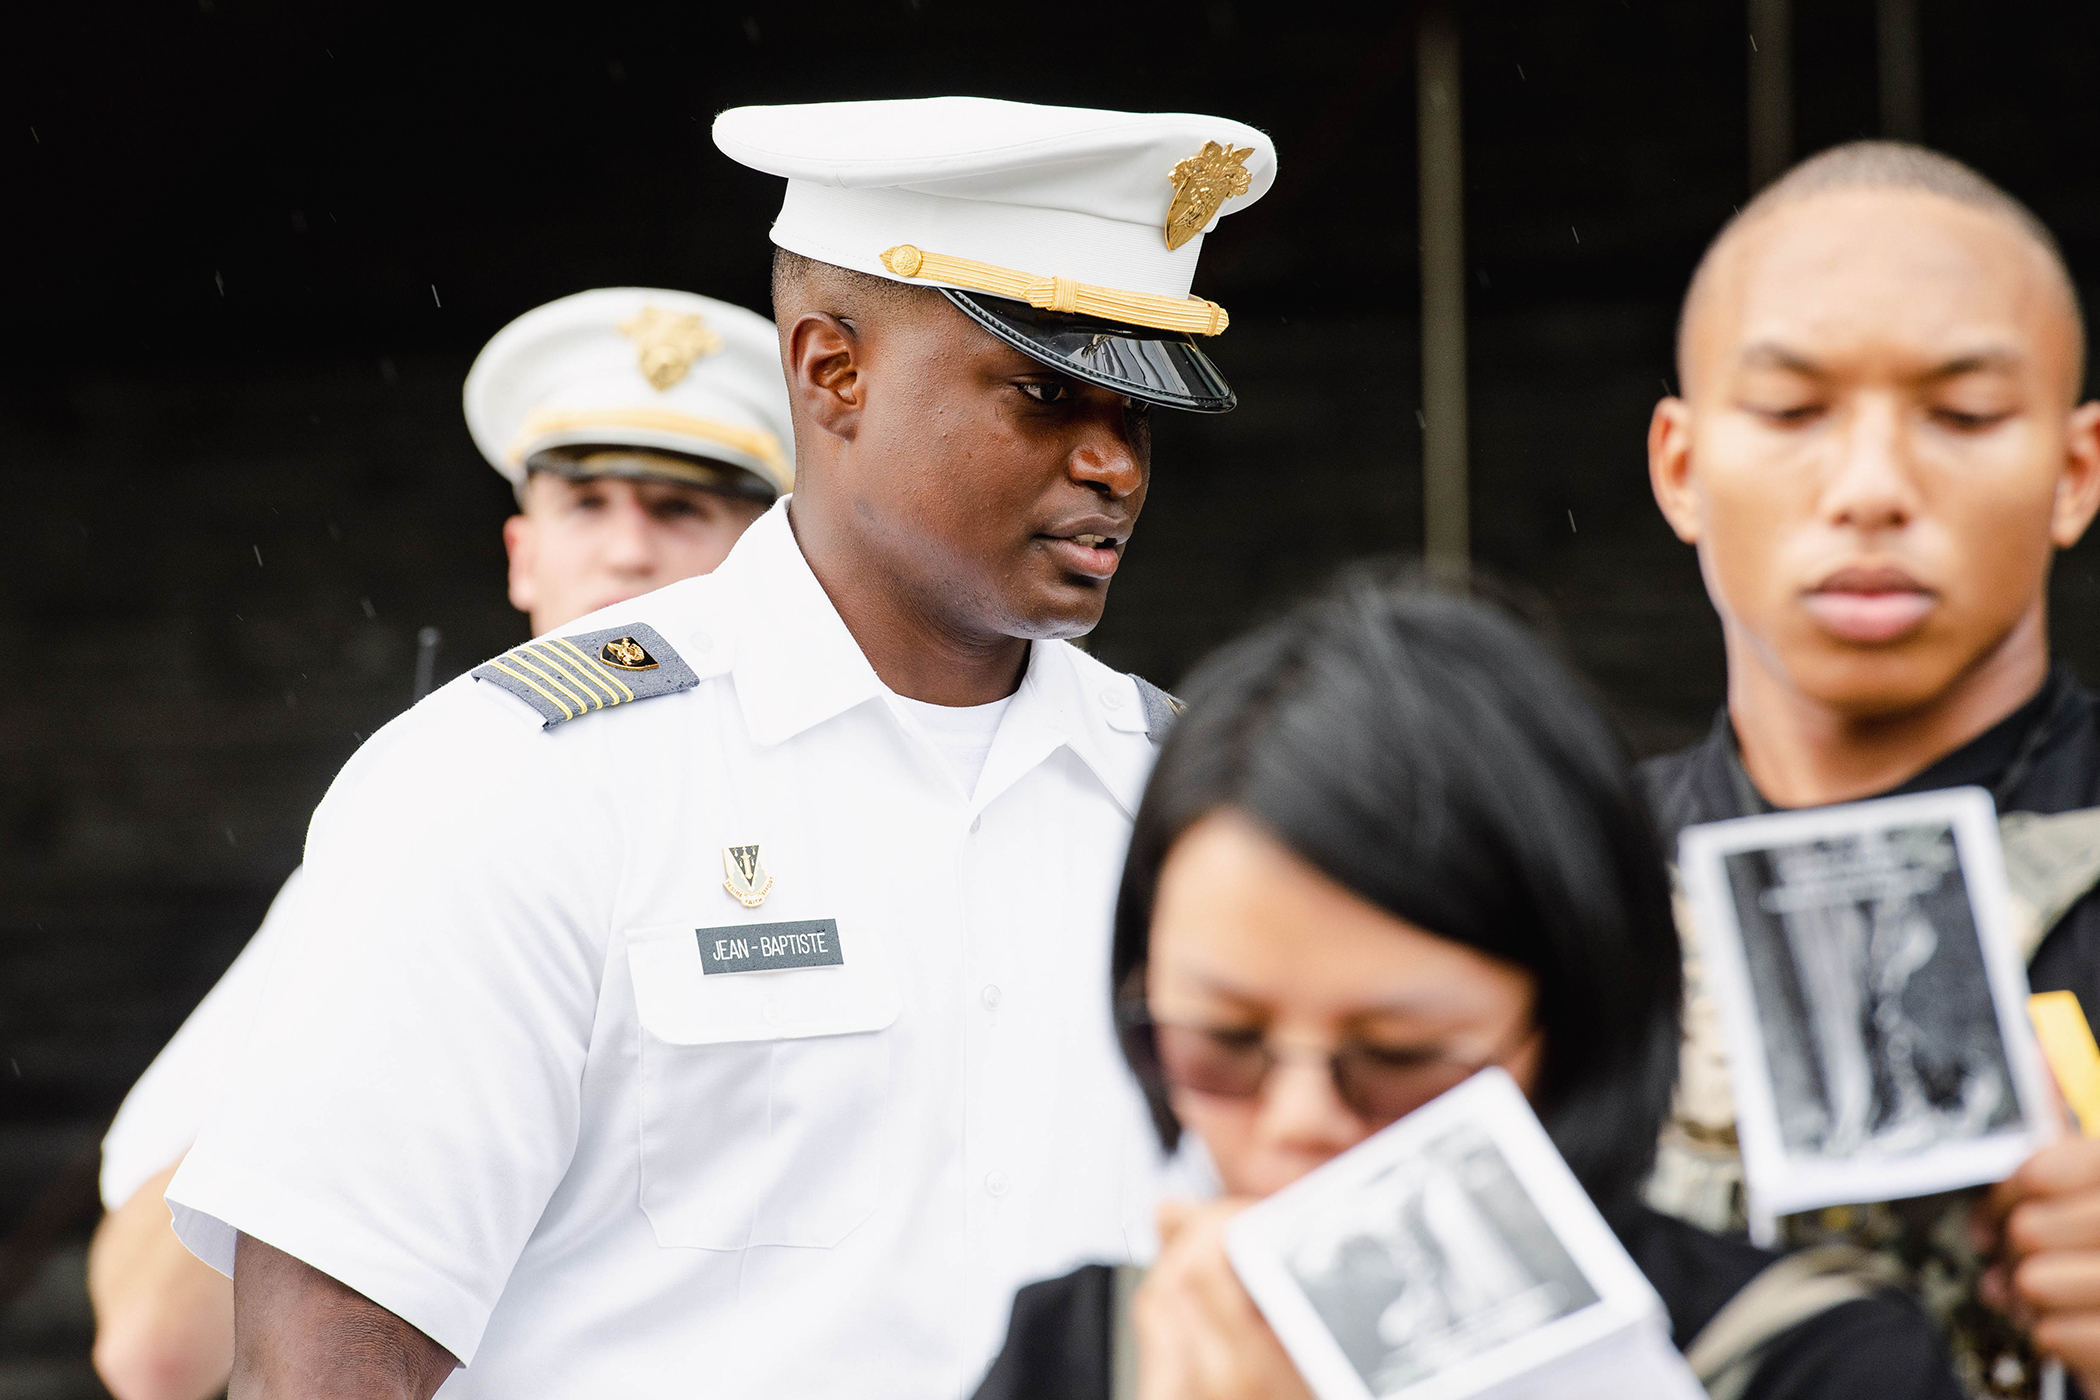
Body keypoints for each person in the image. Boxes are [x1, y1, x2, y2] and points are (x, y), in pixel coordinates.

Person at [159, 96, 1277, 1399]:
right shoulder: (519, 780)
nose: (1113, 463)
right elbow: (329, 1355)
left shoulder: (1197, 800)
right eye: (1043, 391)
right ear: (832, 371)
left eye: (1138, 411)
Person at [973, 577, 1963, 1400]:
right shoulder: (1087, 1348)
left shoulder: (1812, 1360)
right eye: (1220, 1042)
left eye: (1399, 1057)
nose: (1300, 1118)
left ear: (1574, 1017)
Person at [86, 285, 794, 1400]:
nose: (625, 550)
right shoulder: (415, 831)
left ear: (769, 554)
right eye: (588, 502)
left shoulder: (854, 809)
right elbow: (154, 1349)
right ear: (522, 553)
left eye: (678, 509)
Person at [1640, 141, 2100, 1398]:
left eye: (1960, 415)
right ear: (1681, 467)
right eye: (1793, 412)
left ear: (2075, 472)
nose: (1872, 486)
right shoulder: (1556, 898)